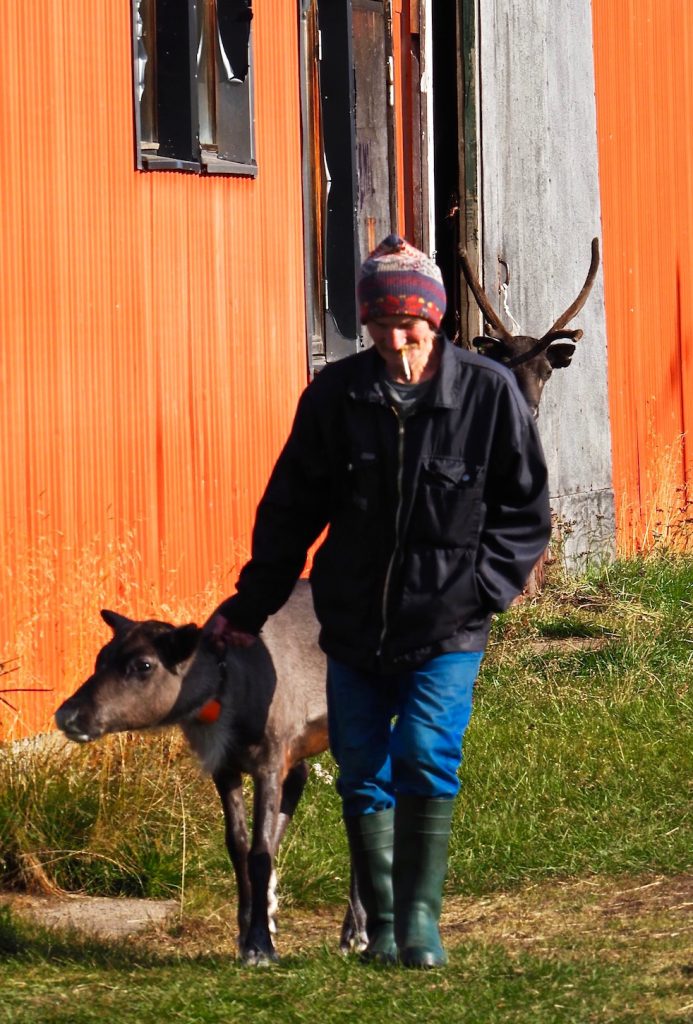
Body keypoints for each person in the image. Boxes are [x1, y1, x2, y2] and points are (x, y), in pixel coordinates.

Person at [206, 235, 551, 968]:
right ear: (365, 325)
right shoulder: (337, 398)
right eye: (384, 325)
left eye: (414, 324)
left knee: (425, 753)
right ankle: (382, 927)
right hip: (353, 625)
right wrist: (249, 606)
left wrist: (483, 590)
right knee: (362, 766)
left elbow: (524, 510)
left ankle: (418, 924)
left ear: (437, 319)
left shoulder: (486, 395)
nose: (400, 339)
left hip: (447, 626)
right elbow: (289, 514)